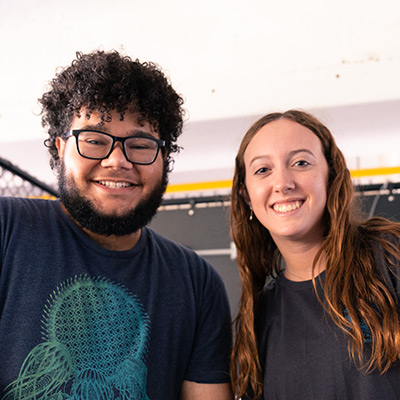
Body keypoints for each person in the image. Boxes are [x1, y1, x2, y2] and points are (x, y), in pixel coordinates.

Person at [0, 50, 233, 400]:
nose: (117, 161)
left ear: (164, 158)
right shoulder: (6, 229)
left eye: (140, 145)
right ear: (61, 148)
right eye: (94, 140)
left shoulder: (198, 284)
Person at [230, 110, 400, 400]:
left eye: (301, 163)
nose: (283, 183)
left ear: (330, 175)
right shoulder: (258, 316)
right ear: (246, 195)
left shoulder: (389, 257)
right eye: (262, 170)